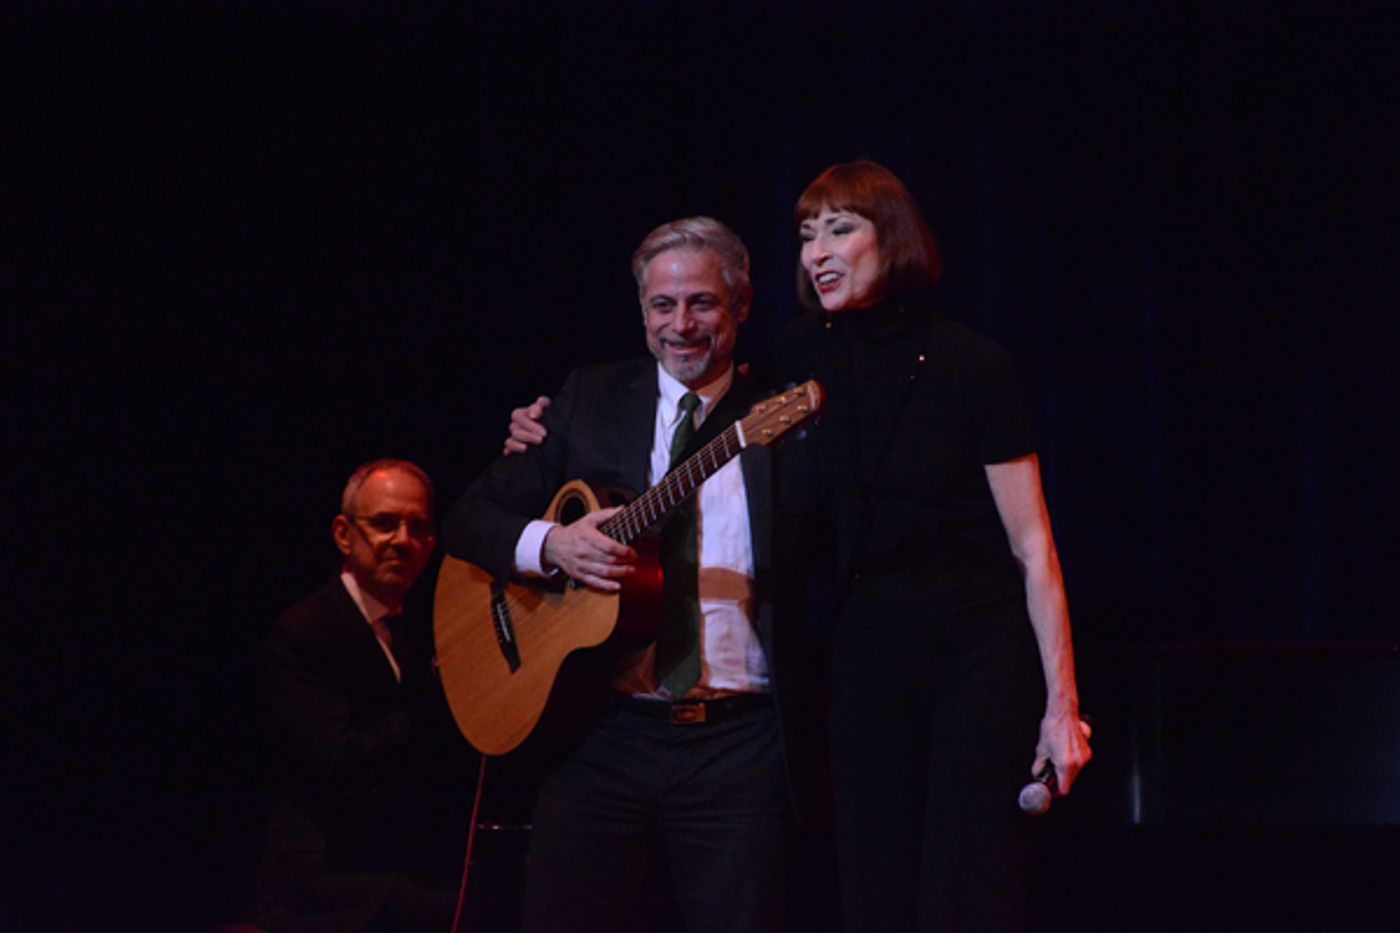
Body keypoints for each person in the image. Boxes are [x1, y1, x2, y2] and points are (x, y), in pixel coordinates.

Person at [507, 162, 1092, 932]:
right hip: (862, 649)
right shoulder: (794, 358)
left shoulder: (971, 364)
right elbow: (692, 394)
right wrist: (539, 446)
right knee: (869, 881)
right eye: (807, 233)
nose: (818, 250)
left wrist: (1064, 705)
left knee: (967, 879)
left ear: (896, 237)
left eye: (841, 228)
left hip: (970, 644)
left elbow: (1033, 547)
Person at [443, 217, 794, 933]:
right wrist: (551, 545)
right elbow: (469, 519)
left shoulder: (781, 414)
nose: (681, 324)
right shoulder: (587, 401)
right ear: (640, 310)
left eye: (702, 303)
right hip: (602, 734)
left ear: (742, 306)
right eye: (663, 306)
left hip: (739, 744)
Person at [256, 459, 474, 933]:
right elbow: (338, 763)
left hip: (394, 860)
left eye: (418, 527)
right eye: (384, 524)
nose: (403, 540)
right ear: (342, 534)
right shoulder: (304, 632)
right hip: (325, 877)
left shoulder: (422, 629)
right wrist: (438, 700)